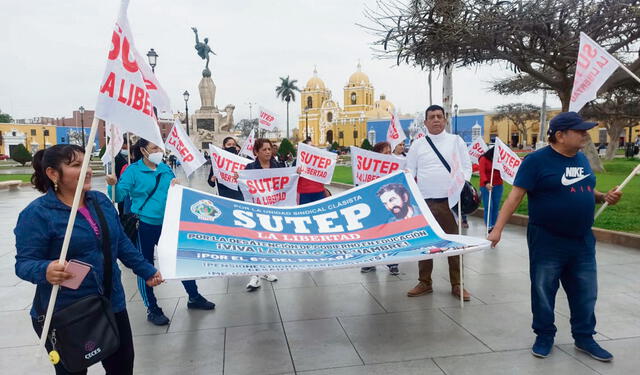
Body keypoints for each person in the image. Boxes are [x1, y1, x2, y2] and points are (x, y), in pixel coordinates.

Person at [15, 144, 163, 375]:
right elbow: (24, 263)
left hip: (110, 301)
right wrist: (45, 269)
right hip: (67, 311)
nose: (87, 170)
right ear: (53, 173)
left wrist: (146, 269)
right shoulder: (37, 214)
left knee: (122, 367)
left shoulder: (100, 201)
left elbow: (121, 242)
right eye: (76, 165)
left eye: (86, 163)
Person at [487, 112, 622, 361]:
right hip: (547, 239)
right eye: (579, 131)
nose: (585, 134)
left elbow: (584, 187)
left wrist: (603, 197)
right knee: (543, 289)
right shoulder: (536, 161)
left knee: (585, 290)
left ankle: (584, 337)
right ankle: (544, 335)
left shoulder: (580, 158)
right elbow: (515, 197)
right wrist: (497, 229)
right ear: (560, 135)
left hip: (582, 239)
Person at [106, 139, 215, 326]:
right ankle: (152, 308)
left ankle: (194, 297)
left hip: (168, 224)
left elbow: (172, 193)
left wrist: (176, 185)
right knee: (145, 265)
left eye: (159, 147)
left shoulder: (165, 168)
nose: (158, 151)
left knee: (181, 260)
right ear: (143, 150)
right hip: (145, 225)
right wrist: (113, 185)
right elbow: (118, 197)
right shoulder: (133, 171)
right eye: (153, 148)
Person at [405, 104, 472, 301]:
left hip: (449, 202)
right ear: (425, 122)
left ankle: (457, 284)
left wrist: (462, 184)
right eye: (432, 117)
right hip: (424, 201)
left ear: (445, 120)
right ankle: (424, 282)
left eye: (439, 116)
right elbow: (409, 170)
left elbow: (466, 166)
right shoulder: (418, 144)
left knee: (453, 243)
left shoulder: (455, 141)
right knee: (425, 243)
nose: (436, 120)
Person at [242, 138, 280, 291]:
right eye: (264, 149)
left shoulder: (278, 166)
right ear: (256, 152)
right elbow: (243, 189)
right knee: (255, 241)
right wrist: (238, 180)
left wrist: (295, 174)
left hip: (273, 210)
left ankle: (266, 270)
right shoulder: (250, 168)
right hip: (255, 211)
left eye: (269, 149)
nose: (268, 152)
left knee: (269, 241)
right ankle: (255, 275)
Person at [360, 141, 400, 275]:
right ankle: (371, 262)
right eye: (385, 152)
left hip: (388, 206)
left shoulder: (395, 166)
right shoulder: (369, 168)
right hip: (373, 206)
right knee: (373, 234)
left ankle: (393, 263)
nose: (389, 155)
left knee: (391, 234)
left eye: (390, 152)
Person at [208, 136, 244, 201]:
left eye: (233, 145)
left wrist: (241, 177)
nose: (231, 146)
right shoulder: (217, 161)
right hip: (222, 195)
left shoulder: (242, 161)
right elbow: (211, 183)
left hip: (238, 196)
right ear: (224, 147)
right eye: (229, 145)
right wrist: (212, 179)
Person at [478, 146, 503, 232]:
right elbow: (482, 172)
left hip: (498, 185)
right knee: (489, 206)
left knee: (495, 206)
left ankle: (494, 226)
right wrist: (486, 183)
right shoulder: (483, 159)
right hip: (486, 186)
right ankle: (489, 225)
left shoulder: (500, 160)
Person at [296, 138, 327, 204]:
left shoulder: (319, 161)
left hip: (319, 192)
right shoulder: (297, 162)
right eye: (310, 147)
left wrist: (332, 160)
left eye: (313, 147)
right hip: (304, 193)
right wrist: (296, 173)